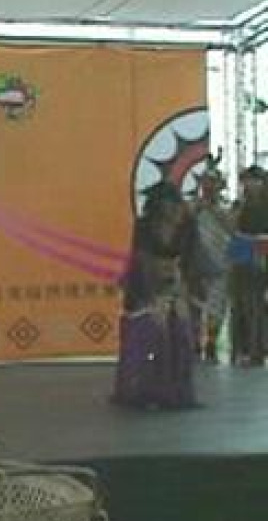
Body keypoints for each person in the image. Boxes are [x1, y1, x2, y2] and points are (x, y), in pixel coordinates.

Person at [112, 182, 199, 410]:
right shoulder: (144, 226)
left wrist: (181, 292)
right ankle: (143, 391)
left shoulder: (188, 225)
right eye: (167, 205)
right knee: (149, 336)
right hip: (145, 285)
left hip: (177, 284)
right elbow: (141, 261)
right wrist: (153, 299)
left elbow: (191, 261)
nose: (173, 210)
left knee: (180, 335)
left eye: (175, 204)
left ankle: (176, 392)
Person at [186, 153, 233, 362]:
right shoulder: (192, 205)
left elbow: (233, 228)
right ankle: (195, 342)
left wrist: (214, 209)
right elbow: (183, 222)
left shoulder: (226, 207)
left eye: (213, 183)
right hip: (195, 263)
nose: (209, 187)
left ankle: (211, 343)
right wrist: (199, 207)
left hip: (221, 262)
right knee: (194, 304)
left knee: (217, 306)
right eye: (206, 182)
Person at [228, 165, 268, 366]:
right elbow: (231, 227)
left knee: (256, 304)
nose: (250, 185)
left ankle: (256, 348)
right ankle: (240, 348)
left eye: (254, 181)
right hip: (241, 255)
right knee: (240, 304)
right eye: (247, 181)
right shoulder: (240, 205)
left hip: (261, 255)